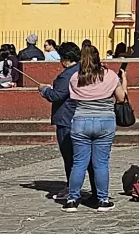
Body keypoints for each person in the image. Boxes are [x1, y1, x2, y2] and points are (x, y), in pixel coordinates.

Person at [63, 42, 127, 210]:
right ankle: (103, 200)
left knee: (78, 163)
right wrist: (124, 80)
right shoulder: (110, 75)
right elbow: (121, 98)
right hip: (105, 120)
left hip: (81, 120)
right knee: (101, 163)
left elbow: (73, 97)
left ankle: (72, 199)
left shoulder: (75, 77)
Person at [39, 42, 82, 199]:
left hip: (67, 118)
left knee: (69, 155)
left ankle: (72, 187)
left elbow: (57, 95)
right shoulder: (83, 70)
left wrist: (44, 90)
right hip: (80, 115)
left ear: (65, 59)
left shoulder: (67, 74)